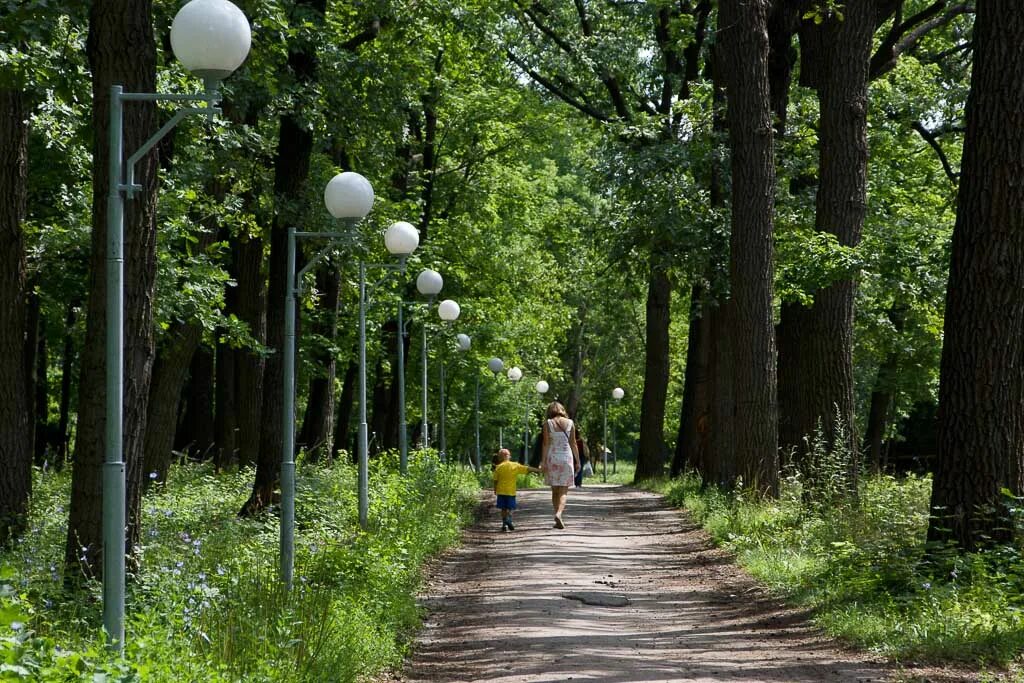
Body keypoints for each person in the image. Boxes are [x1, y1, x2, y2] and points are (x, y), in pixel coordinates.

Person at [540, 401, 580, 529]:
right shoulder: (570, 423)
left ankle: (557, 515)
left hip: (553, 458)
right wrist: (578, 460)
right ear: (562, 410)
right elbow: (573, 443)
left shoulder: (548, 424)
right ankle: (559, 514)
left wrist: (543, 461)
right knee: (564, 490)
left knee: (554, 490)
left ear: (550, 411)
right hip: (566, 458)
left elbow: (545, 444)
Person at [492, 448, 540, 532]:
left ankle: (504, 524)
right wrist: (539, 470)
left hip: (501, 491)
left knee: (503, 508)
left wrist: (495, 490)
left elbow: (495, 481)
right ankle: (509, 520)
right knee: (510, 508)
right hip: (510, 491)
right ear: (508, 456)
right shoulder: (515, 465)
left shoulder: (498, 467)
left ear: (500, 457)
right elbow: (528, 469)